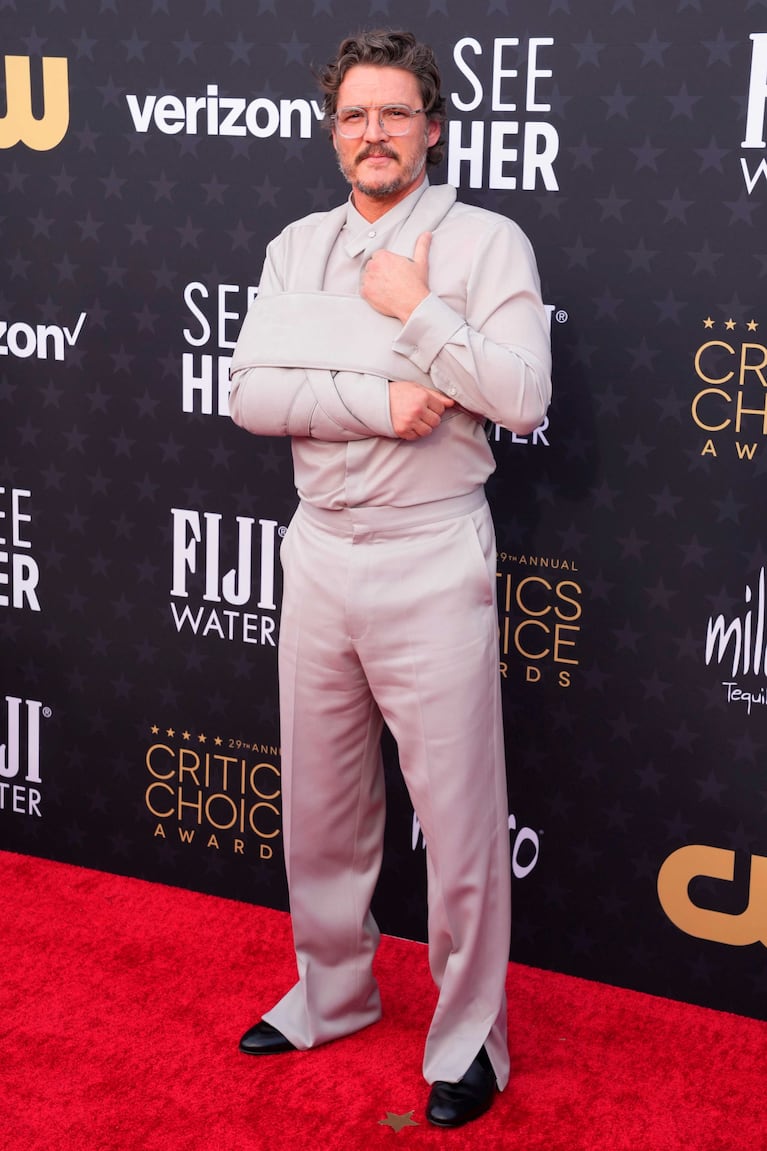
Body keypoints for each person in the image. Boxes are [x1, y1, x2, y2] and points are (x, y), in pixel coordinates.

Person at [228, 28, 551, 1129]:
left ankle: (468, 1040)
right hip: (315, 546)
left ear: (432, 125)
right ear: (334, 131)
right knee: (318, 808)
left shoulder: (485, 242)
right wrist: (383, 392)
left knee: (458, 823)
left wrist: (411, 308)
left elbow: (517, 394)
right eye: (355, 116)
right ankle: (332, 994)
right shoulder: (291, 247)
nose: (374, 134)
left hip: (429, 547)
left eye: (395, 113)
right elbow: (251, 395)